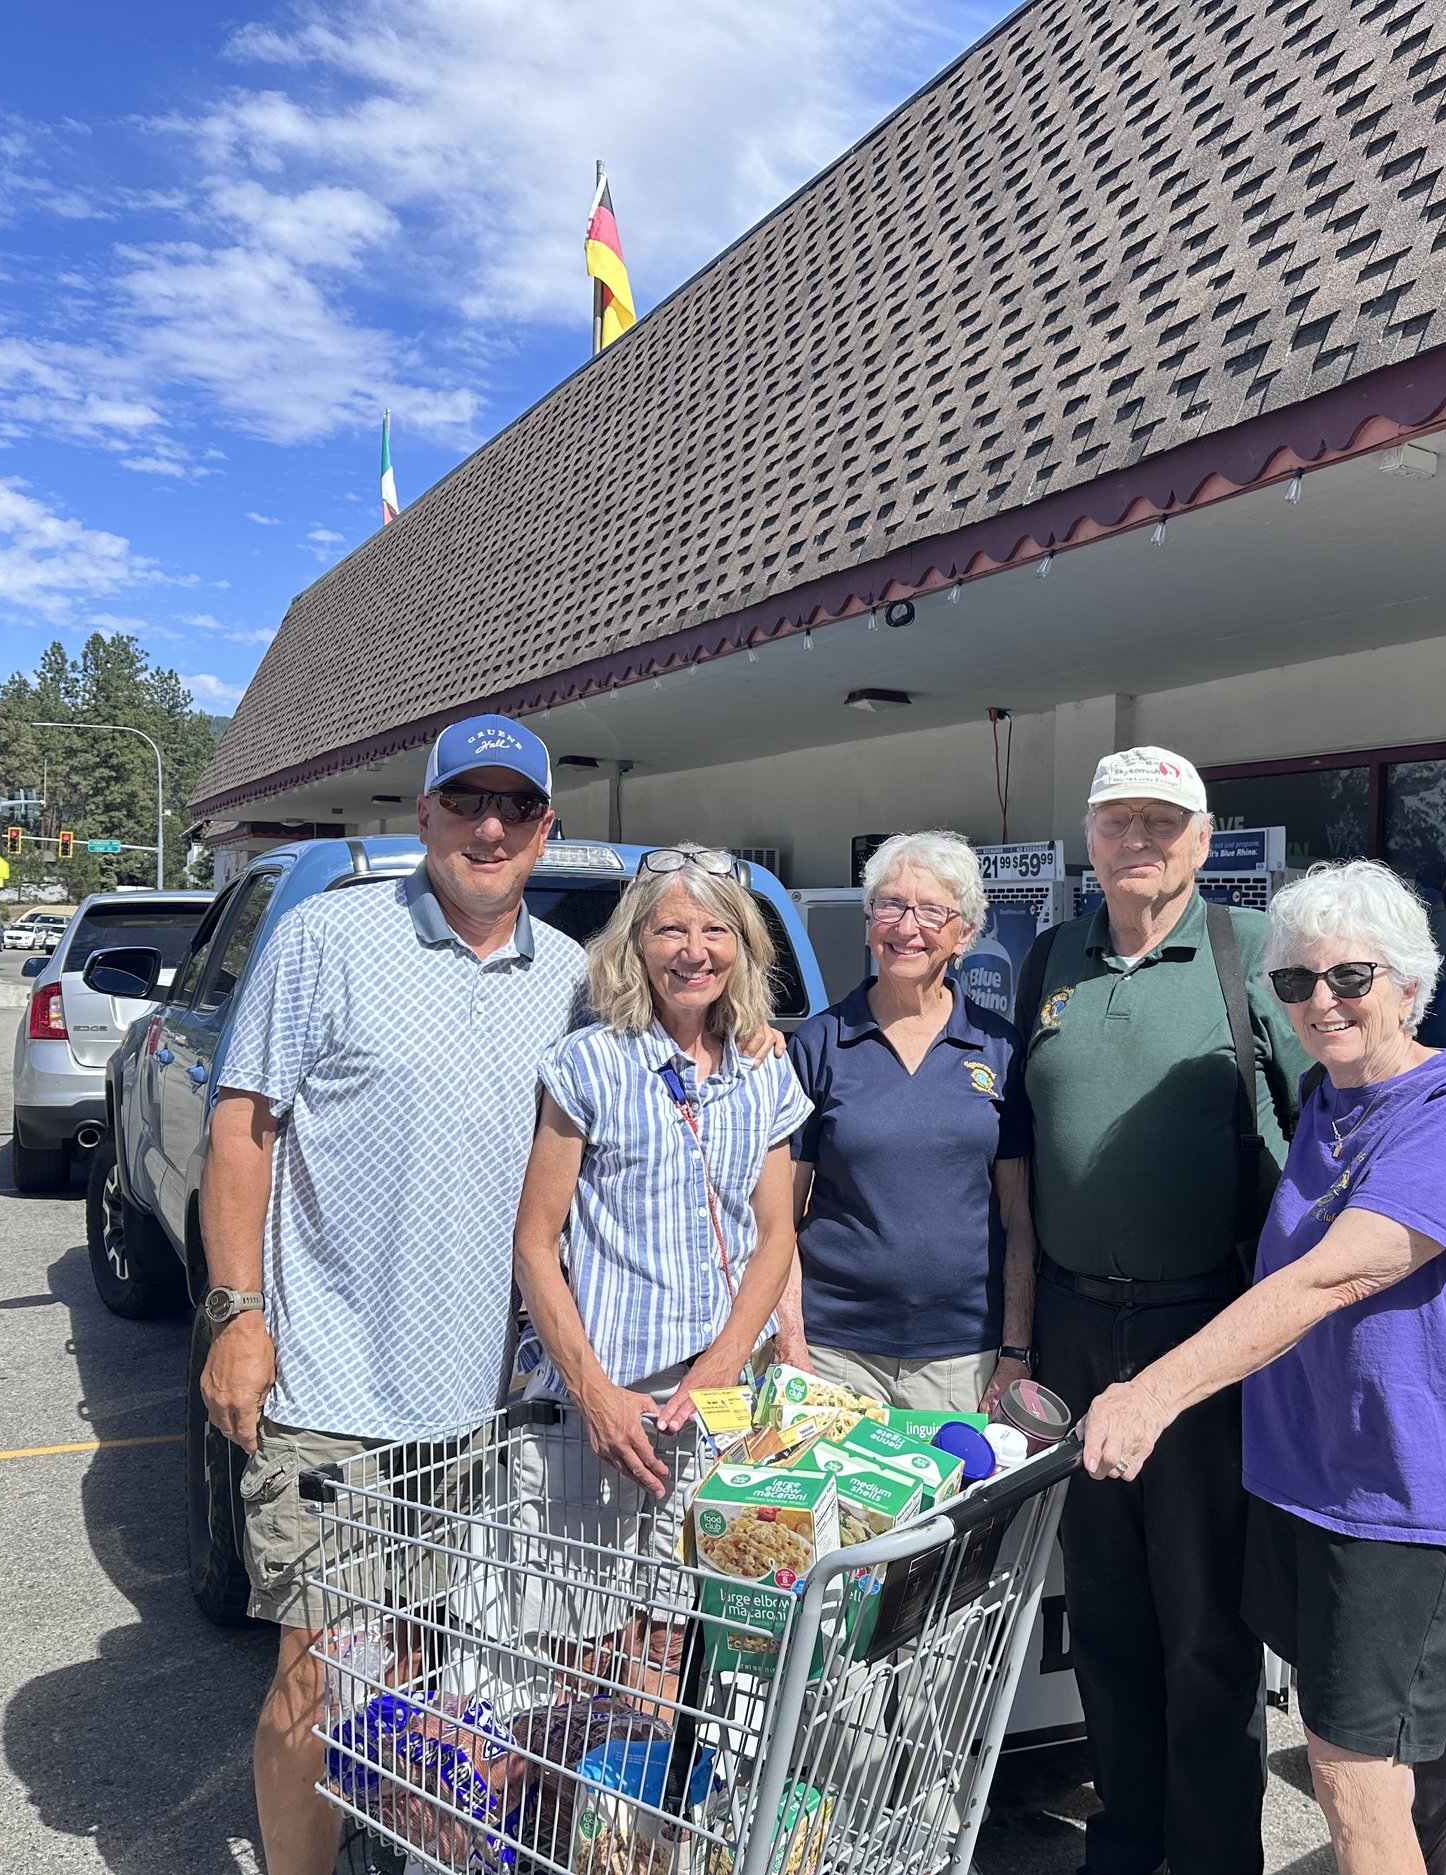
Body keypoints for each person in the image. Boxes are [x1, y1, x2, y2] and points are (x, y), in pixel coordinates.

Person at [1081, 860, 1446, 1875]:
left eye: (1349, 977)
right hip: (1305, 1484)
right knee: (1350, 1762)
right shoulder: (1328, 1102)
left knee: (1351, 1775)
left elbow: (1336, 1276)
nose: (1320, 1001)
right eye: (1295, 982)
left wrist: (1153, 1392)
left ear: (1409, 983)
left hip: (1400, 1499)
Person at [200, 714, 586, 1875]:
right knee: (319, 1676)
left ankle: (379, 1842)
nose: (489, 827)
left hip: (479, 1405)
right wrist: (237, 1314)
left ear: (545, 829)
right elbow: (241, 1131)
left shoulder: (570, 976)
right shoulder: (328, 936)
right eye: (466, 801)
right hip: (330, 1387)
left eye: (515, 806)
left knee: (412, 1664)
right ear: (422, 814)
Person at [1009, 746, 1309, 1875]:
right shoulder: (1050, 958)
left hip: (1205, 1329)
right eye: (1118, 820)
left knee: (1206, 1625)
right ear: (1089, 838)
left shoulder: (1252, 954)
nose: (1138, 840)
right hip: (1076, 1332)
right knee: (1106, 1613)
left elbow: (1330, 1123)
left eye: (1162, 821)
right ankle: (1126, 1844)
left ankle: (1216, 1854)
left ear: (1203, 836)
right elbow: (1018, 1145)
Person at [509, 843, 810, 1558]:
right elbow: (534, 1243)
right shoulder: (589, 1063)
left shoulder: (764, 1069)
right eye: (670, 929)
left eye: (715, 931)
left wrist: (721, 1366)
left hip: (720, 1404)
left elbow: (775, 1236)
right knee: (579, 1619)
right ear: (636, 944)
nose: (693, 952)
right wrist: (595, 1396)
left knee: (684, 1615)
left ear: (742, 946)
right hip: (602, 1404)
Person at [776, 830, 1039, 1412]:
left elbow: (1018, 1218)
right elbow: (780, 1217)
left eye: (931, 911)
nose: (906, 926)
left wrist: (1016, 1349)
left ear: (964, 933)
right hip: (834, 1351)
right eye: (890, 905)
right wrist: (790, 1343)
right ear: (869, 922)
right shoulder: (819, 1044)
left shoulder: (999, 1048)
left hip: (963, 1357)